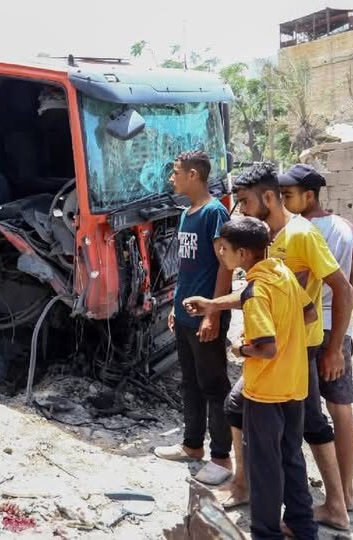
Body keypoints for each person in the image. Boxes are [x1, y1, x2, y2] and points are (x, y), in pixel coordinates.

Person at [184, 162, 353, 532]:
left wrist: (333, 347)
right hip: (285, 354)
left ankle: (326, 507)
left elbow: (341, 287)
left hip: (290, 355)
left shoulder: (301, 234)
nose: (242, 210)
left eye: (245, 202)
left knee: (292, 438)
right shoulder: (270, 249)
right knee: (271, 429)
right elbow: (279, 301)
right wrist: (214, 305)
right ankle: (289, 512)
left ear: (268, 198)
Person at [192, 217, 318, 540]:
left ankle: (266, 533)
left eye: (225, 249)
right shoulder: (280, 273)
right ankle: (303, 526)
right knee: (291, 456)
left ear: (243, 254)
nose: (221, 253)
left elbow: (266, 348)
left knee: (263, 466)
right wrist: (213, 304)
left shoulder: (258, 291)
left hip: (266, 393)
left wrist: (240, 348)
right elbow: (308, 313)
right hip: (294, 385)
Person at [279, 164, 353, 512]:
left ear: (309, 196)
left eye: (288, 195)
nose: (283, 201)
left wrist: (332, 343)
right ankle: (347, 491)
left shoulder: (301, 231)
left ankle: (334, 496)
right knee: (341, 407)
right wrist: (343, 328)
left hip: (312, 328)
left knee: (309, 411)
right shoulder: (346, 226)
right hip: (339, 324)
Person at [154, 151, 233, 485]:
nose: (172, 178)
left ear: (193, 175)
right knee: (190, 383)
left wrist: (213, 312)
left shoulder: (214, 213)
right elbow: (186, 270)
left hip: (205, 317)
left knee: (214, 386)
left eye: (176, 172)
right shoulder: (187, 213)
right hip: (185, 316)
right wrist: (175, 306)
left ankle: (222, 458)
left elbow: (225, 265)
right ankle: (192, 445)